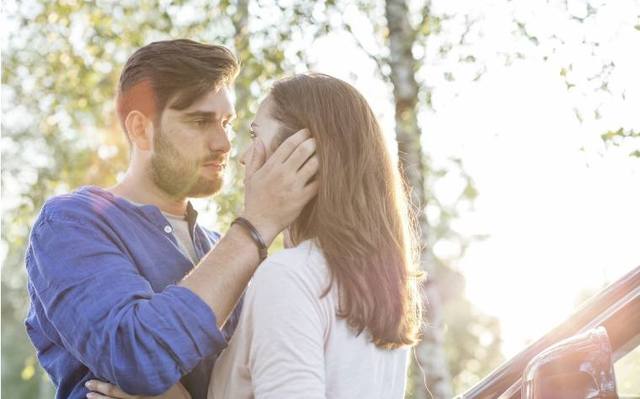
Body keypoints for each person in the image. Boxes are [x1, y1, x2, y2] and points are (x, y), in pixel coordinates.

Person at [24, 39, 318, 399]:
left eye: (227, 122)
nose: (224, 143)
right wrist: (255, 226)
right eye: (200, 121)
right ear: (139, 129)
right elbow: (134, 356)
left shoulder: (221, 247)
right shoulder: (71, 223)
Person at [206, 73, 423, 398]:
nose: (243, 157)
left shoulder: (290, 276)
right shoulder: (383, 288)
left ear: (300, 154)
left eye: (255, 134)